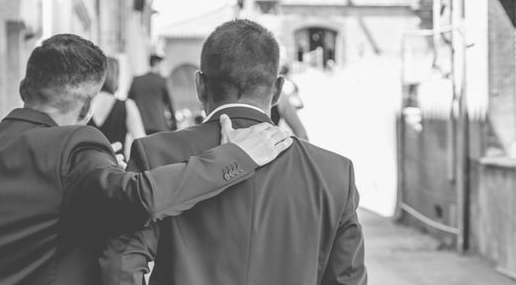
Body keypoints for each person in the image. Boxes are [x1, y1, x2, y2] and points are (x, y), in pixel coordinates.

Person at [0, 34, 292, 285]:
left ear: (24, 88)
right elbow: (140, 198)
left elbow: (32, 214)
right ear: (87, 105)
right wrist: (236, 156)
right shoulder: (74, 145)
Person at [100, 19, 367, 285]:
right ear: (277, 90)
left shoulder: (155, 154)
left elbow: (120, 264)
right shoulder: (334, 173)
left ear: (200, 86)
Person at [90, 56, 146, 157]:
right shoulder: (127, 105)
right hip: (117, 166)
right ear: (116, 76)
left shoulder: (84, 105)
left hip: (86, 167)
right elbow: (142, 143)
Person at [128, 54, 177, 133]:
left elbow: (129, 102)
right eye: (163, 65)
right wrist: (174, 125)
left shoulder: (136, 80)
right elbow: (170, 104)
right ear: (157, 64)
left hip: (140, 125)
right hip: (159, 125)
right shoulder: (162, 81)